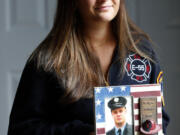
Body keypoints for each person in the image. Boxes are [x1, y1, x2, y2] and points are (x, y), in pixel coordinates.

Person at [7, 0, 169, 135]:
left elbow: (159, 118)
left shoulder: (142, 51)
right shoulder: (47, 61)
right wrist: (80, 133)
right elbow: (20, 129)